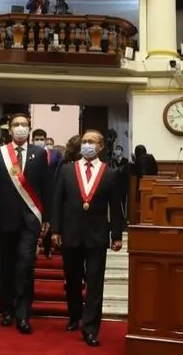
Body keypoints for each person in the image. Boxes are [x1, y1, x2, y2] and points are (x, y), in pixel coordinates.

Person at [50, 129, 125, 347]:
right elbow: (57, 201)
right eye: (84, 141)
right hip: (70, 232)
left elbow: (116, 207)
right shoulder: (66, 170)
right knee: (72, 279)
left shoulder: (110, 173)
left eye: (92, 142)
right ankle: (75, 315)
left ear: (101, 146)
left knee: (94, 282)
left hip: (97, 235)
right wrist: (55, 230)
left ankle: (91, 328)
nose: (87, 145)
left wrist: (117, 234)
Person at [0, 113, 53, 333]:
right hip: (3, 220)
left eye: (24, 124)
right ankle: (6, 309)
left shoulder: (40, 154)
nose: (20, 128)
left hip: (30, 221)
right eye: (16, 125)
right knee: (4, 266)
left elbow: (46, 187)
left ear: (29, 128)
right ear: (9, 129)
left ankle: (23, 314)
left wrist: (47, 218)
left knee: (25, 266)